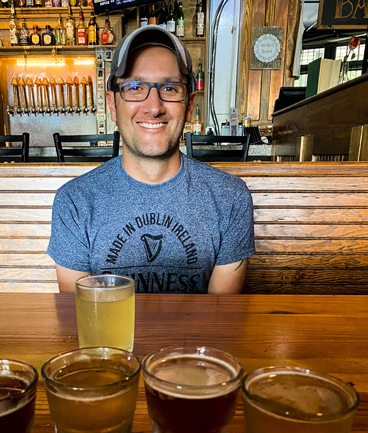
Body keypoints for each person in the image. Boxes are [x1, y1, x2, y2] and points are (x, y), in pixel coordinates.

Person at [48, 26, 254, 294]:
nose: (154, 107)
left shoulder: (231, 198)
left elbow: (219, 317)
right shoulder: (74, 201)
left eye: (169, 88)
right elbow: (85, 317)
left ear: (189, 105)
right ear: (112, 105)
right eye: (135, 87)